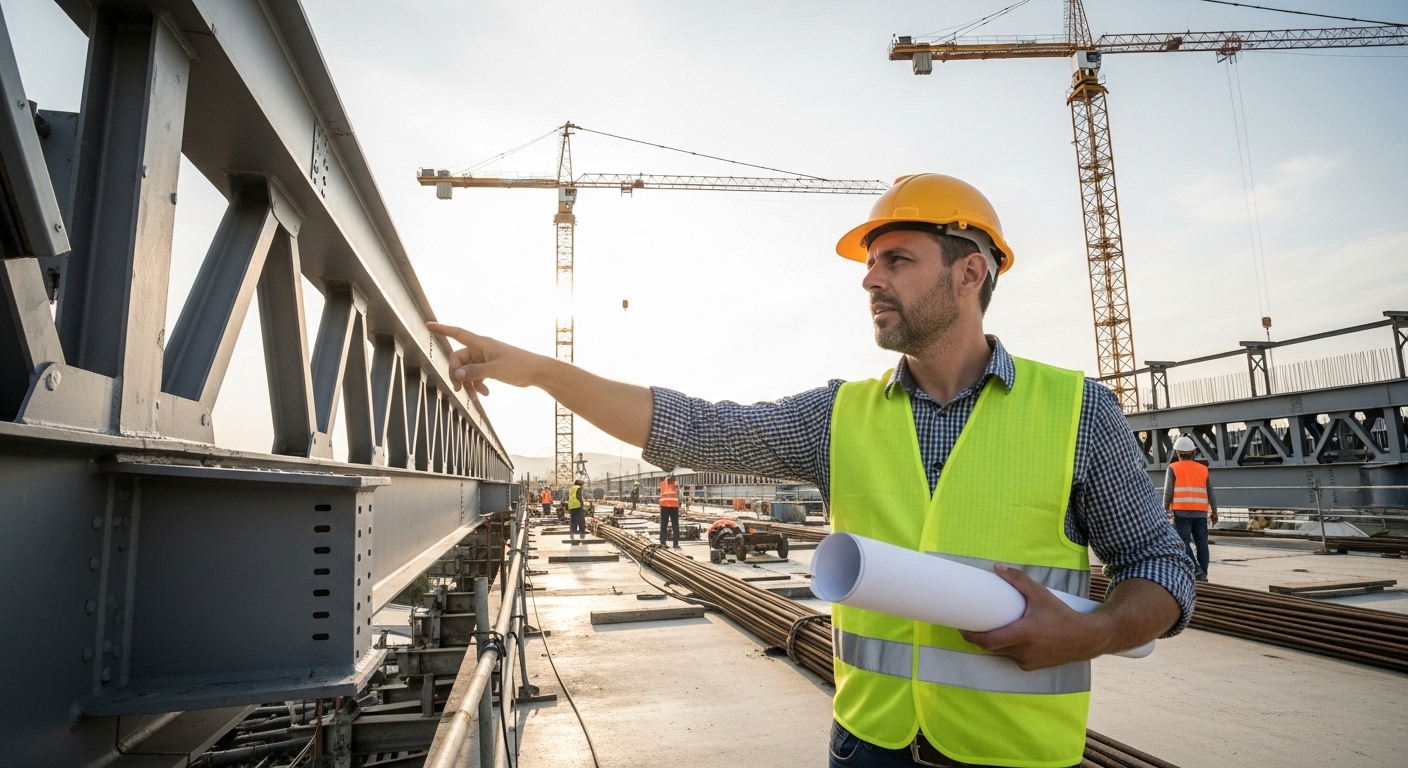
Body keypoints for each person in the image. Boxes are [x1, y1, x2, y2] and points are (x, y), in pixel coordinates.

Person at [426, 173, 1194, 768]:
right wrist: (545, 372)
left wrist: (1091, 632)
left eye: (897, 260)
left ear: (971, 274)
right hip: (867, 744)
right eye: (870, 264)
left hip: (1016, 754)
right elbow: (695, 426)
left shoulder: (1077, 411)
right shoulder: (838, 416)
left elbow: (1160, 566)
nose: (871, 279)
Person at [1164, 435, 1218, 583]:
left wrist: (1164, 511)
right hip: (1200, 512)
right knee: (1202, 543)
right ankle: (1203, 572)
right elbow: (1211, 493)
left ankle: (1196, 570)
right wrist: (1214, 512)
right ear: (1194, 452)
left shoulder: (1173, 468)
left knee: (1183, 542)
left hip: (1181, 512)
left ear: (1177, 453)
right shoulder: (1203, 469)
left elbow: (1168, 492)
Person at [659, 475, 681, 550]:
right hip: (673, 505)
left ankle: (662, 542)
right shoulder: (673, 480)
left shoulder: (662, 482)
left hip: (664, 505)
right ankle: (675, 544)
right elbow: (677, 491)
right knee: (675, 525)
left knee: (663, 524)